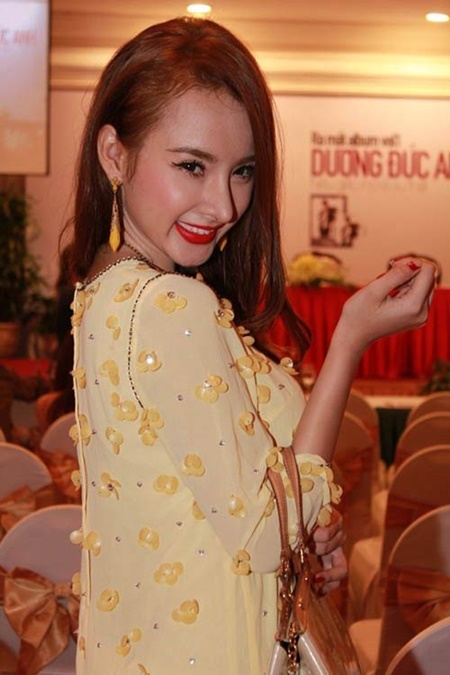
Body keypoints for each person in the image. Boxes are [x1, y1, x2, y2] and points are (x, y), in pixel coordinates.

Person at [63, 17, 435, 674]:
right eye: (191, 166)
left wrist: (310, 526)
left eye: (242, 171)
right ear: (114, 154)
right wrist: (350, 338)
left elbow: (227, 497)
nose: (224, 204)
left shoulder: (102, 292)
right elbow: (269, 532)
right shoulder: (168, 305)